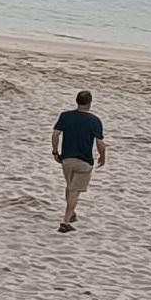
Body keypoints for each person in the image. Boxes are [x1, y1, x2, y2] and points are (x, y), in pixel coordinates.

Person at [51, 90, 107, 234]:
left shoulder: (65, 116)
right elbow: (100, 143)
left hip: (67, 159)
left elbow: (56, 134)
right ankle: (65, 221)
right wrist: (102, 156)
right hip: (84, 161)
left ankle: (72, 213)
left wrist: (55, 152)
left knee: (70, 187)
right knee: (75, 191)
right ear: (90, 103)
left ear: (77, 101)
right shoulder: (94, 120)